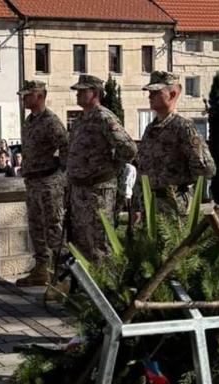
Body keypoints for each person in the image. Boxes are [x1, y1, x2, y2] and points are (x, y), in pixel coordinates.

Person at [67, 74, 137, 262]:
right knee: (81, 242)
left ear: (95, 93)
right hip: (80, 190)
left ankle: (105, 287)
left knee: (99, 243)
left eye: (83, 91)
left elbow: (129, 149)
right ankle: (85, 288)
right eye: (78, 91)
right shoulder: (81, 119)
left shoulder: (104, 117)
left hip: (98, 191)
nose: (78, 95)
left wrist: (113, 167)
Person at [136, 71, 216, 217]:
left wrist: (181, 183)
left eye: (156, 92)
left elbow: (206, 168)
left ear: (172, 94)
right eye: (150, 92)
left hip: (174, 205)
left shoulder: (183, 127)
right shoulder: (150, 129)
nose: (150, 96)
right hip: (149, 203)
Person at [15, 80, 69, 287]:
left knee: (54, 229)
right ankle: (41, 271)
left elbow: (65, 147)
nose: (24, 98)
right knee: (36, 228)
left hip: (48, 182)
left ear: (39, 96)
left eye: (28, 95)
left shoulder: (51, 121)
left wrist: (58, 171)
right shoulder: (30, 121)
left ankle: (62, 278)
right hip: (33, 181)